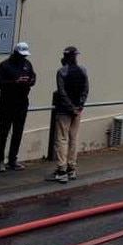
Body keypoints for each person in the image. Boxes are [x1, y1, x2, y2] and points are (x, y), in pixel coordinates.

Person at [47, 46, 89, 184]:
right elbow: (85, 89)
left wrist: (70, 107)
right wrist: (79, 106)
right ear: (75, 56)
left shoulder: (62, 72)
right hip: (77, 109)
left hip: (64, 110)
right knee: (73, 139)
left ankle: (61, 170)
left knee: (62, 139)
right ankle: (72, 168)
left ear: (65, 57)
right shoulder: (83, 70)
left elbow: (61, 92)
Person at [0, 42, 36, 172]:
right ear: (15, 53)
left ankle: (13, 159)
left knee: (18, 133)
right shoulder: (4, 65)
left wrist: (28, 81)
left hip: (22, 103)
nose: (23, 57)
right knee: (4, 133)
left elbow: (33, 78)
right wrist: (14, 82)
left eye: (25, 55)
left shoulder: (27, 64)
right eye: (21, 55)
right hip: (7, 103)